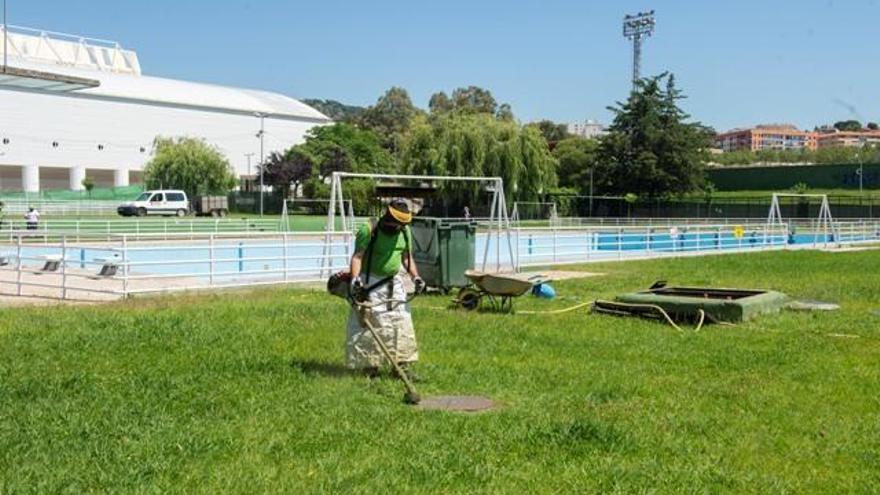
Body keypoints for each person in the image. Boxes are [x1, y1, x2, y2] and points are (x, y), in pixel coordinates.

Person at [346, 200, 425, 379]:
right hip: (370, 283)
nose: (398, 227)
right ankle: (369, 368)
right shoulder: (368, 230)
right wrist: (355, 280)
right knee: (369, 325)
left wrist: (416, 277)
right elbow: (358, 256)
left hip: (394, 282)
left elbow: (406, 257)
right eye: (396, 222)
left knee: (401, 323)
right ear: (387, 215)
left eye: (402, 224)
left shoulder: (405, 232)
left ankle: (401, 367)